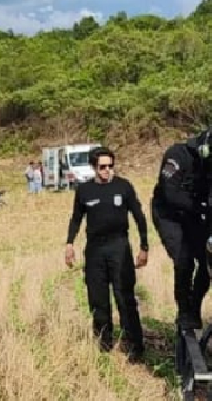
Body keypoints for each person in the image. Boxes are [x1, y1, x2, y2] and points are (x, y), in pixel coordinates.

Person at [65, 146, 149, 360]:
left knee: (125, 297)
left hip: (119, 247)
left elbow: (139, 216)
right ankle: (104, 343)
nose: (107, 171)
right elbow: (76, 218)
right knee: (98, 299)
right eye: (102, 167)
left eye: (110, 166)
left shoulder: (123, 187)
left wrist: (144, 247)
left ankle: (135, 346)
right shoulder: (84, 191)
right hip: (95, 250)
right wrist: (69, 244)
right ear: (94, 167)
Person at [151, 129, 212, 330]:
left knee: (208, 261)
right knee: (184, 261)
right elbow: (170, 194)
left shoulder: (211, 161)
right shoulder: (177, 155)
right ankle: (184, 311)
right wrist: (202, 207)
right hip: (168, 214)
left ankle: (194, 307)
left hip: (192, 214)